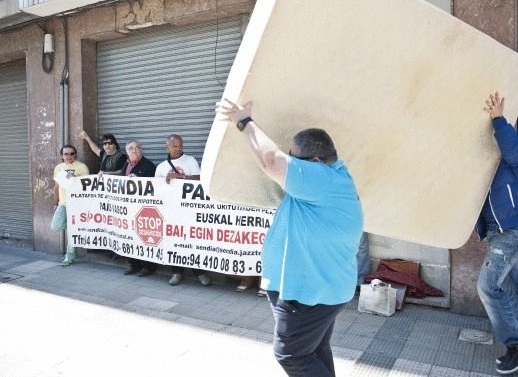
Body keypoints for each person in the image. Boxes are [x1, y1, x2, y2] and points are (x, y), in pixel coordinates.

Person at [216, 99, 363, 377]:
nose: (290, 162)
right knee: (314, 351)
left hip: (309, 293)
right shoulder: (331, 180)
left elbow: (271, 161)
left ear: (316, 161)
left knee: (292, 355)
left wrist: (244, 122)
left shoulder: (323, 179)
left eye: (295, 159)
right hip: (319, 288)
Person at [476, 92, 518, 375]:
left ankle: (517, 346)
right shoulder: (484, 164)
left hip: (512, 230)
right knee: (512, 289)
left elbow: (512, 149)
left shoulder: (516, 150)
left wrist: (498, 120)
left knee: (487, 286)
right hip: (499, 231)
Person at [155, 134, 210, 286]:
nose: (178, 148)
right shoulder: (161, 167)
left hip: (189, 211)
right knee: (174, 242)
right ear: (167, 146)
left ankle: (199, 272)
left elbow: (200, 180)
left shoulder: (190, 161)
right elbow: (156, 189)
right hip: (171, 211)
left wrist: (181, 178)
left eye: (180, 145)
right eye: (174, 146)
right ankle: (176, 272)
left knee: (193, 243)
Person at [120, 140, 157, 276]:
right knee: (129, 237)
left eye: (137, 148)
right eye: (131, 148)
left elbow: (156, 185)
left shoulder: (149, 165)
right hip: (128, 208)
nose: (134, 150)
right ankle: (133, 264)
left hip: (144, 210)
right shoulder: (126, 164)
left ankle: (148, 266)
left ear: (141, 149)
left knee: (144, 238)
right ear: (127, 152)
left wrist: (139, 180)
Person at [51, 145, 90, 266]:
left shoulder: (81, 167)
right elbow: (57, 187)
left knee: (71, 232)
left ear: (75, 154)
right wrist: (55, 202)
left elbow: (87, 186)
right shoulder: (59, 168)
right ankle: (70, 227)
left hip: (76, 204)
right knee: (55, 226)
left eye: (71, 154)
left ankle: (69, 256)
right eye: (66, 154)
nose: (69, 156)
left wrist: (75, 179)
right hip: (63, 203)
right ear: (61, 155)